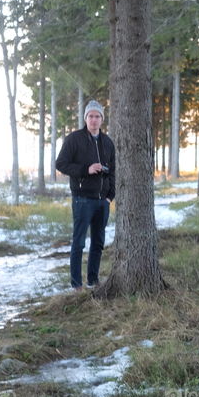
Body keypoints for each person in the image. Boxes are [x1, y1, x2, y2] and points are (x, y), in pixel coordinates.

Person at [55, 100, 116, 289]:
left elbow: (113, 171)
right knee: (79, 243)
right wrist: (86, 169)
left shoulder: (107, 142)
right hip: (82, 199)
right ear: (85, 118)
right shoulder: (74, 139)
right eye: (90, 116)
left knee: (98, 243)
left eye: (97, 116)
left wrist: (109, 196)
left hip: (102, 201)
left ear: (102, 120)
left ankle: (93, 280)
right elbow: (61, 164)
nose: (94, 120)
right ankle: (76, 285)